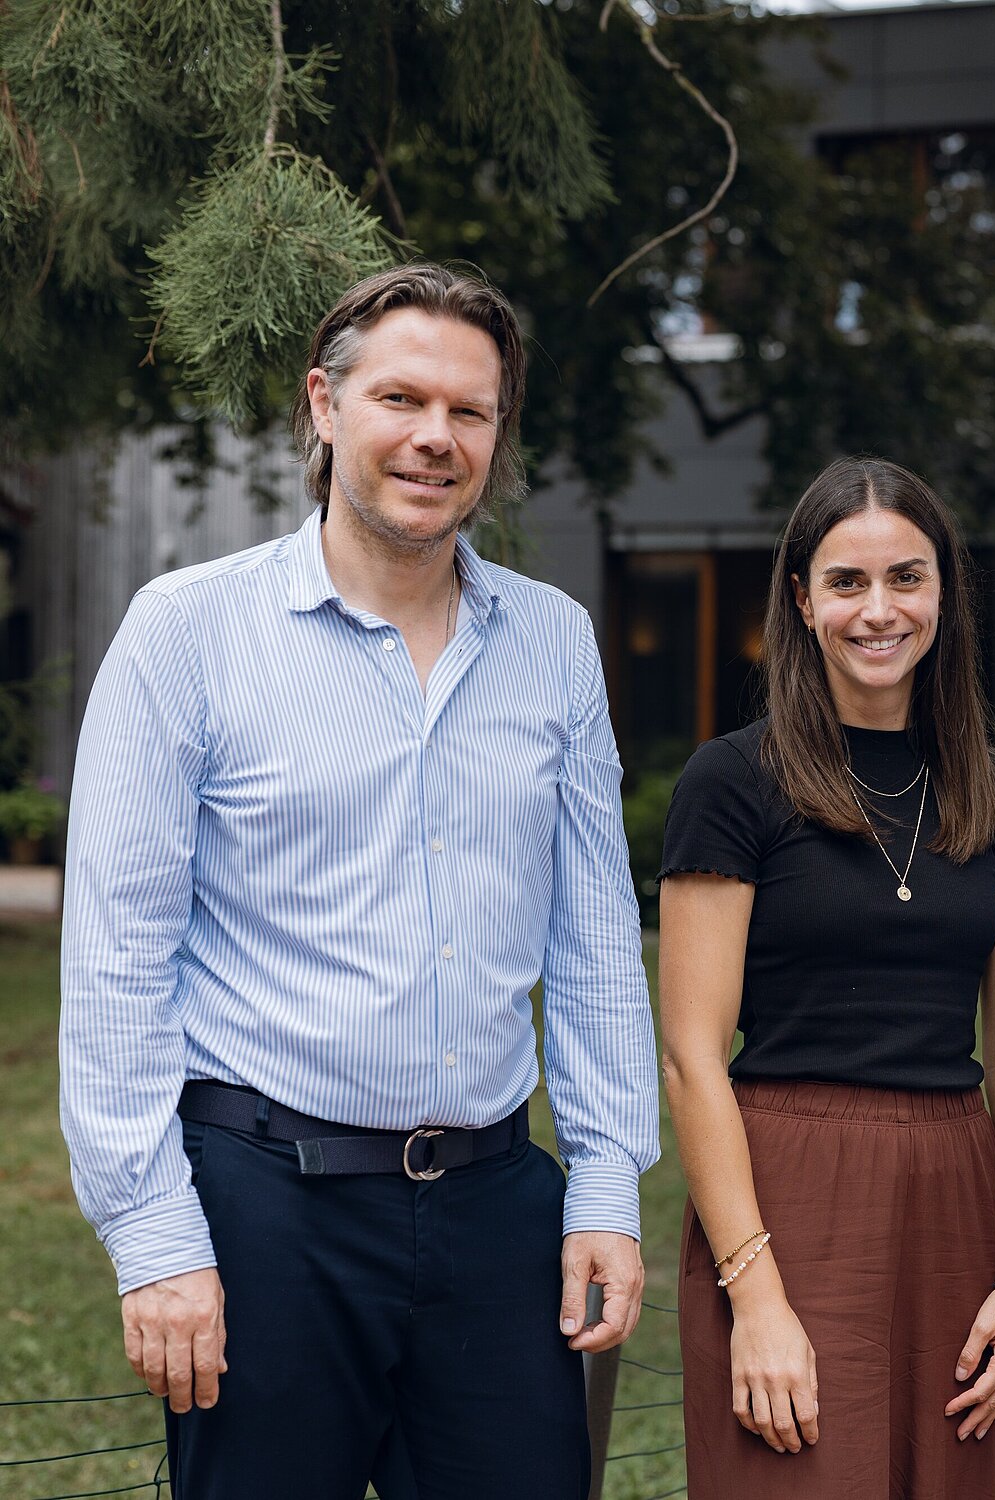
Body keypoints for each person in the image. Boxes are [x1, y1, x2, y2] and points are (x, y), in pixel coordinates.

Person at [58, 263, 659, 1499]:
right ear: (325, 406)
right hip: (266, 1208)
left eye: (471, 411)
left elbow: (595, 939)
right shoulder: (186, 632)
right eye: (401, 398)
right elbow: (118, 958)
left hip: (498, 1209)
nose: (435, 438)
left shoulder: (552, 641)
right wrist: (155, 1237)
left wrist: (603, 1187)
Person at [657, 456, 995, 1499]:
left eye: (905, 578)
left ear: (943, 593)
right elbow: (692, 1058)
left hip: (954, 1197)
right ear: (801, 599)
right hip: (786, 1190)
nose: (878, 611)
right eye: (846, 582)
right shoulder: (732, 782)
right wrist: (756, 1295)